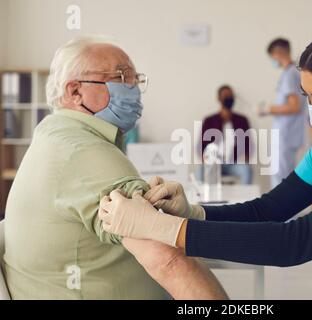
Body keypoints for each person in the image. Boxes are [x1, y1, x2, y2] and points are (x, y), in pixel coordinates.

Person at [99, 21, 312, 300]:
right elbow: (266, 210)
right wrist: (192, 213)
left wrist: (164, 230)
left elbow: (296, 242)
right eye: (308, 98)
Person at [2, 37, 227, 300]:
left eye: (135, 79)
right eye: (121, 77)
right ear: (75, 91)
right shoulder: (84, 152)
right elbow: (169, 261)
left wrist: (190, 214)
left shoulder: (54, 135)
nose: (133, 88)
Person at [260, 38, 309, 187]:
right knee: (283, 172)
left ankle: (279, 210)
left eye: (272, 57)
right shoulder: (293, 72)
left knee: (280, 174)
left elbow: (294, 106)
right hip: (289, 132)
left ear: (277, 53)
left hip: (286, 133)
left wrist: (268, 109)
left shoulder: (290, 74)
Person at [196, 85, 252, 184]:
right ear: (218, 98)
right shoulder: (209, 121)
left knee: (246, 170)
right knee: (200, 170)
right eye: (226, 95)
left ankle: (245, 199)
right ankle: (202, 199)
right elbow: (201, 145)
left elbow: (248, 144)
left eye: (231, 95)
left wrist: (245, 156)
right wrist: (205, 157)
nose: (229, 98)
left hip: (234, 164)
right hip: (214, 163)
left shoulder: (242, 120)